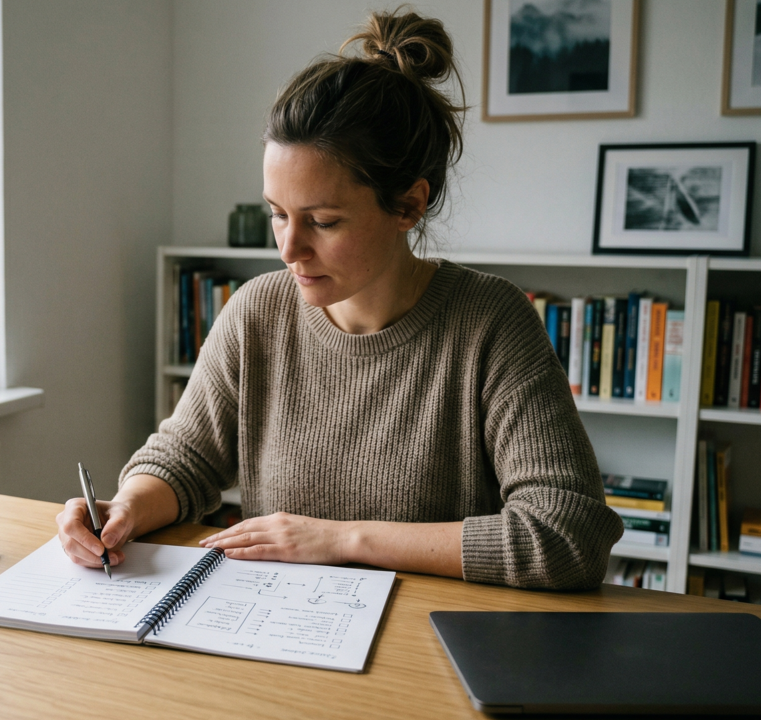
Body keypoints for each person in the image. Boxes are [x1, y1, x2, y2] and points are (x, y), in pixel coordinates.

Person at [57, 9, 622, 590]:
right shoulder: (257, 312)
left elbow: (567, 536)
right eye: (277, 215)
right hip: (278, 632)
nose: (288, 248)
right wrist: (124, 507)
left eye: (322, 221)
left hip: (424, 654)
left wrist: (339, 539)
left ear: (408, 205)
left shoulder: (491, 323)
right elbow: (185, 459)